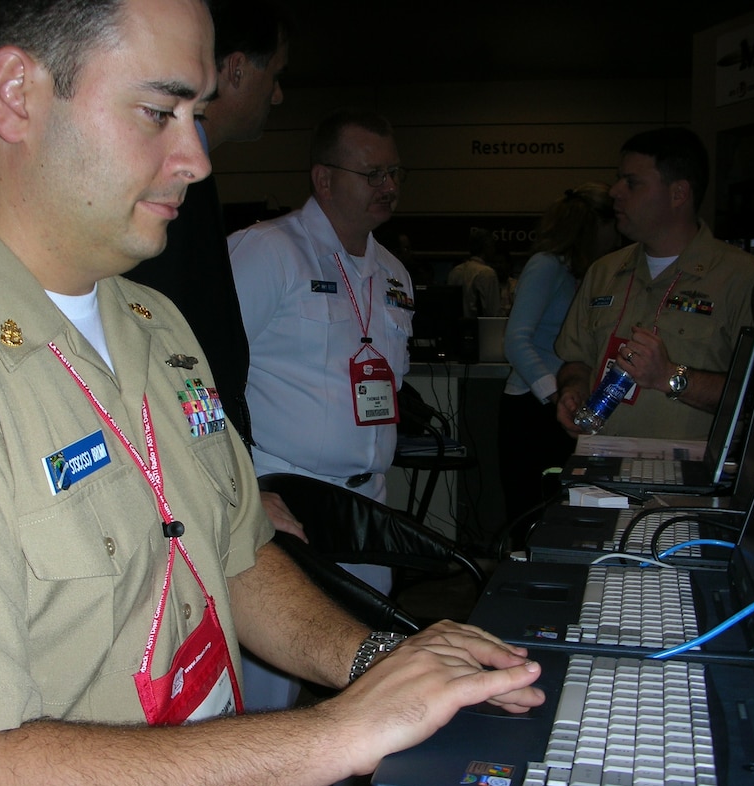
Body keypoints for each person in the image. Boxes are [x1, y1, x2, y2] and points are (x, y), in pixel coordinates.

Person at [0, 1, 545, 786]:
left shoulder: (152, 322)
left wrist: (378, 658)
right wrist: (345, 730)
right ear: (16, 95)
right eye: (159, 111)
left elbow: (235, 554)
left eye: (198, 115)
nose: (196, 157)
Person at [124, 0, 304, 540]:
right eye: (275, 74)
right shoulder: (163, 190)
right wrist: (222, 488)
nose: (277, 94)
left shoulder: (195, 180)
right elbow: (159, 359)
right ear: (237, 68)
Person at [229, 108, 413, 508]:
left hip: (370, 496)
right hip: (282, 494)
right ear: (324, 180)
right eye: (373, 174)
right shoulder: (267, 252)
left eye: (395, 172)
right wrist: (240, 490)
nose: (389, 186)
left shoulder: (392, 272)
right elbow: (203, 371)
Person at [554, 127, 754, 440]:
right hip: (599, 473)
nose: (615, 191)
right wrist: (572, 390)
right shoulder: (604, 272)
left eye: (632, 182)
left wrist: (669, 377)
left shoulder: (744, 278)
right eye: (619, 178)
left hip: (689, 480)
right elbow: (577, 361)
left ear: (678, 194)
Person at [499, 183, 618, 529]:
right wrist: (559, 397)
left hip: (559, 403)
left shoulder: (583, 273)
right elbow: (515, 341)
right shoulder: (547, 265)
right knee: (532, 513)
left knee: (562, 513)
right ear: (596, 225)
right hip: (534, 407)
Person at [448, 226, 503, 318]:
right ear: (486, 246)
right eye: (492, 245)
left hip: (456, 329)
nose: (494, 250)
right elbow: (493, 312)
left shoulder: (455, 272)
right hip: (480, 328)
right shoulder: (487, 273)